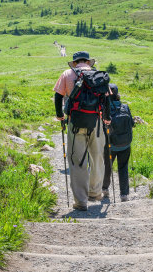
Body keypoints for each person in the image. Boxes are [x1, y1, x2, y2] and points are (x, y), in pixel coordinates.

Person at [54, 51, 110, 211]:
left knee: (78, 161)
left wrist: (60, 116)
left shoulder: (66, 74)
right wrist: (106, 118)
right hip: (96, 123)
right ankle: (94, 192)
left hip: (75, 121)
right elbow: (106, 98)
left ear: (75, 62)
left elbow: (58, 96)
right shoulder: (98, 75)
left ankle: (81, 202)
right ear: (88, 61)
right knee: (97, 158)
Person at [102, 83, 135, 202]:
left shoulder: (105, 110)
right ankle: (124, 194)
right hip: (125, 144)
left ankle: (105, 189)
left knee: (107, 167)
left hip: (111, 145)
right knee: (123, 167)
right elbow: (132, 124)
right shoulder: (125, 107)